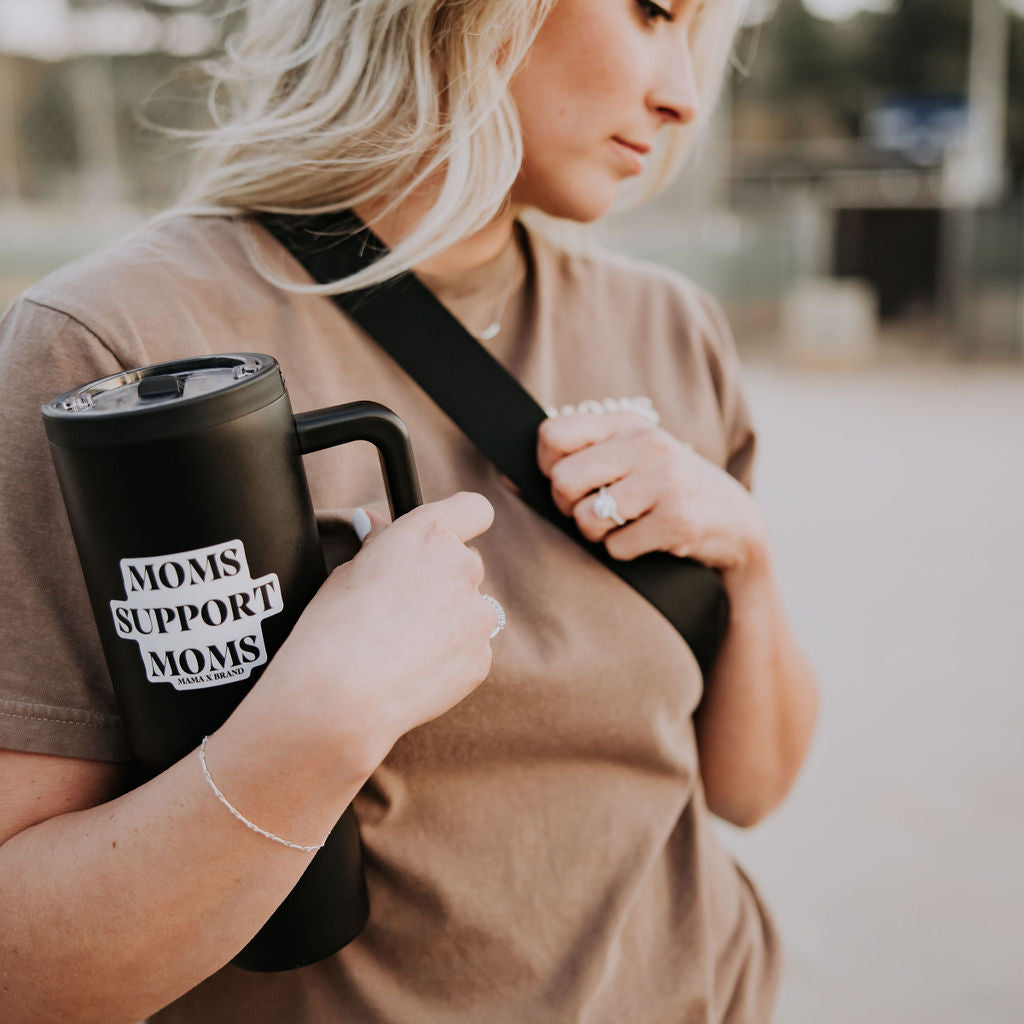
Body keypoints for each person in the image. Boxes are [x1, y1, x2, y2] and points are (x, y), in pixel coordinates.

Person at [0, 0, 819, 1020]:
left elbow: (749, 787)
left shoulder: (671, 324)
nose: (681, 95)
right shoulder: (115, 343)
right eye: (654, 10)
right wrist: (317, 722)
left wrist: (745, 550)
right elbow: (20, 969)